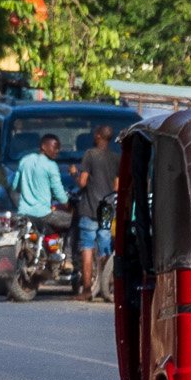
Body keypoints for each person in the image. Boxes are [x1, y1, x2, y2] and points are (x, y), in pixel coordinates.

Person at [74, 124, 120, 300]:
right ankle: (106, 286)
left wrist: (74, 175)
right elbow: (117, 186)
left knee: (87, 247)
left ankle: (86, 290)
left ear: (99, 136)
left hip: (90, 208)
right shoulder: (116, 158)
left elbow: (83, 182)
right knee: (105, 246)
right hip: (107, 209)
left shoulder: (90, 155)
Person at [13, 133, 70, 222]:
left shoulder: (25, 160)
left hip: (23, 213)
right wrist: (68, 205)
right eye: (55, 147)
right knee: (74, 221)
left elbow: (15, 186)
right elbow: (58, 192)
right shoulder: (51, 165)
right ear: (43, 146)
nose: (57, 151)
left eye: (58, 148)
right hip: (43, 215)